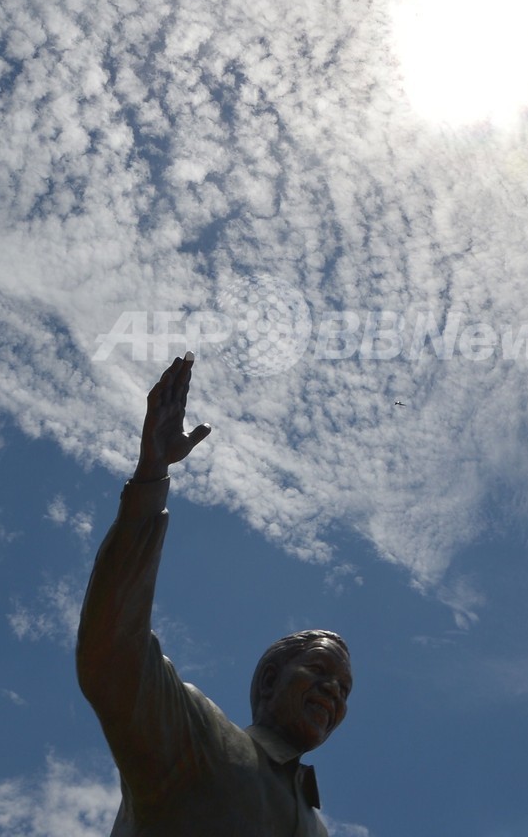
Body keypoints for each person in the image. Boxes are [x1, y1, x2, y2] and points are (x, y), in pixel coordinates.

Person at [77, 353, 352, 837]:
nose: (333, 691)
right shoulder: (198, 739)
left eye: (344, 689)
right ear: (269, 679)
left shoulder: (316, 829)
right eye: (322, 672)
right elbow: (115, 656)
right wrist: (150, 477)